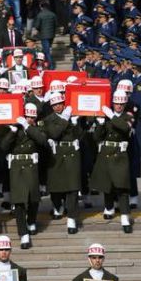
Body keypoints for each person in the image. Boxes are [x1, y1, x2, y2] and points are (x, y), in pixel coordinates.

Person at [0, 104, 47, 249]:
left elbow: (42, 140)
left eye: (33, 117)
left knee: (33, 198)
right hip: (16, 166)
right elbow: (3, 146)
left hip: (31, 165)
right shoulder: (14, 129)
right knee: (19, 201)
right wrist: (13, 130)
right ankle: (23, 233)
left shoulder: (36, 128)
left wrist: (28, 126)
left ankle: (31, 220)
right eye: (28, 117)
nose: (31, 120)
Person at [90, 90, 134, 233]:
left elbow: (125, 128)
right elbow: (96, 138)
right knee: (107, 185)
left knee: (122, 187)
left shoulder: (128, 116)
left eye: (121, 104)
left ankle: (125, 216)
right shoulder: (107, 117)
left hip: (120, 154)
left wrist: (111, 115)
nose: (118, 106)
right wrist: (101, 124)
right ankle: (109, 207)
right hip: (106, 152)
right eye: (116, 103)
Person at [43, 92, 82, 234]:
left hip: (71, 154)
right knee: (56, 186)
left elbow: (80, 135)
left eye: (60, 104)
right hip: (57, 154)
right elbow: (54, 133)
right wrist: (65, 119)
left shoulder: (71, 116)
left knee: (72, 187)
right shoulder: (48, 119)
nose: (58, 107)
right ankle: (57, 206)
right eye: (55, 105)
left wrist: (76, 123)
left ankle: (72, 218)